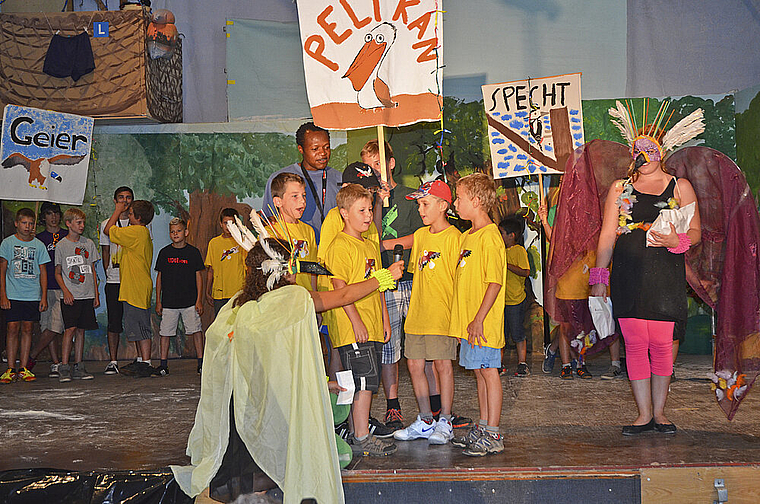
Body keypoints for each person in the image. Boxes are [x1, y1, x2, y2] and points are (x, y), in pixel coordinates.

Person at [171, 237, 404, 504]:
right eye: (291, 266)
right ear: (282, 270)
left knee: (248, 467)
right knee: (276, 455)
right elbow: (342, 296)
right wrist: (381, 278)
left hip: (238, 406)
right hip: (266, 405)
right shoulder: (291, 300)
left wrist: (319, 382)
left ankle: (239, 493)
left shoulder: (240, 303)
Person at [592, 125, 701, 435]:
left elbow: (695, 232)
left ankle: (660, 413)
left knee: (662, 345)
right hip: (628, 274)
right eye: (638, 150)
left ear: (662, 152)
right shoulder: (619, 188)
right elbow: (606, 236)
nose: (644, 156)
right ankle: (643, 414)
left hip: (665, 276)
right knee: (636, 344)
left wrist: (674, 242)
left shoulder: (679, 187)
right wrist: (600, 278)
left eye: (650, 149)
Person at [324, 183, 395, 457]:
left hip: (372, 324)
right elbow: (339, 288)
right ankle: (361, 436)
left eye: (369, 210)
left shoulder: (369, 244)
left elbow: (378, 283)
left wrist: (385, 319)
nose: (368, 216)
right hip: (353, 327)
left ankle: (356, 431)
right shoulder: (338, 246)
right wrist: (355, 321)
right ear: (344, 213)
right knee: (363, 381)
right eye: (361, 210)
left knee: (367, 380)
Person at [362, 139, 424, 431]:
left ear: (391, 163)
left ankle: (431, 405)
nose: (374, 170)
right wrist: (375, 201)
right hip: (383, 282)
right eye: (368, 166)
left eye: (378, 163)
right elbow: (368, 235)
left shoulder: (411, 198)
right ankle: (393, 405)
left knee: (420, 345)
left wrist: (387, 243)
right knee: (389, 347)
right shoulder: (366, 201)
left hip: (411, 279)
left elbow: (421, 236)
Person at [393, 180, 460, 445]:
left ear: (443, 206)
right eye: (419, 204)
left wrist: (459, 319)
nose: (421, 210)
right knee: (414, 364)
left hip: (442, 315)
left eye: (425, 204)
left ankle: (445, 420)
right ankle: (425, 419)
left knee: (443, 366)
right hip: (417, 314)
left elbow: (457, 279)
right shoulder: (421, 236)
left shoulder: (455, 237)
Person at [448, 173, 506, 456]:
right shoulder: (466, 237)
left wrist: (479, 318)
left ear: (476, 200)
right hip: (470, 325)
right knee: (480, 374)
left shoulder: (491, 237)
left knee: (489, 372)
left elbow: (494, 282)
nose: (455, 203)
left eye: (459, 198)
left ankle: (493, 433)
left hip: (483, 324)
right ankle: (483, 426)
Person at [261, 122, 342, 243]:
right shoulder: (279, 179)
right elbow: (267, 219)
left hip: (334, 251)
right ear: (301, 149)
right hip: (297, 253)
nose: (323, 153)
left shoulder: (339, 178)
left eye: (327, 147)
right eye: (315, 149)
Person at [104, 199, 155, 378]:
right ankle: (141, 360)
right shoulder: (140, 232)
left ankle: (146, 362)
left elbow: (107, 230)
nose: (128, 215)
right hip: (135, 286)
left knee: (141, 327)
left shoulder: (137, 231)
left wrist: (117, 210)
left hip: (136, 287)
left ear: (138, 218)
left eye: (131, 213)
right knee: (136, 325)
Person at [0, 208, 50, 383]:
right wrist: (3, 294)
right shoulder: (7, 243)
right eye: (24, 223)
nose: (27, 227)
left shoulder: (39, 245)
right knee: (12, 328)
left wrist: (43, 296)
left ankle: (24, 368)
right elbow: (2, 269)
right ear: (16, 224)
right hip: (13, 293)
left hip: (32, 294)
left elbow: (43, 272)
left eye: (31, 223)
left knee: (28, 329)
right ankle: (10, 368)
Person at [154, 217, 205, 376]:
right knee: (165, 333)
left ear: (186, 232)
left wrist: (198, 300)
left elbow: (198, 277)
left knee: (196, 330)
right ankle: (163, 364)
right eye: (172, 232)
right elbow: (159, 278)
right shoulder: (164, 252)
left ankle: (201, 363)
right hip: (169, 302)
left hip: (190, 302)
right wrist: (158, 301)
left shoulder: (193, 252)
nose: (175, 234)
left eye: (179, 231)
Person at [55, 208, 100, 382]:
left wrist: (96, 295)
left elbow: (93, 272)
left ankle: (79, 366)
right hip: (70, 295)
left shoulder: (88, 244)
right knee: (70, 329)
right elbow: (58, 272)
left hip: (87, 294)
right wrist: (66, 292)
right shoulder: (62, 245)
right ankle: (64, 367)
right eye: (78, 222)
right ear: (68, 224)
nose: (81, 225)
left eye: (83, 222)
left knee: (81, 330)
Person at [28, 202, 68, 378]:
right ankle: (56, 363)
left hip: (64, 287)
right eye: (50, 214)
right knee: (47, 326)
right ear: (43, 217)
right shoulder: (38, 239)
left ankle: (31, 357)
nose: (54, 217)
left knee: (56, 326)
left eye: (56, 213)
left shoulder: (67, 235)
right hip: (44, 287)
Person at [99, 186, 134, 375]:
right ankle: (113, 360)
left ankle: (140, 359)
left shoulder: (139, 223)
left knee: (135, 320)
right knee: (114, 322)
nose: (125, 201)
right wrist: (108, 272)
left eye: (128, 198)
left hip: (132, 280)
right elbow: (105, 250)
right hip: (114, 280)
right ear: (115, 200)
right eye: (121, 197)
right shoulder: (107, 223)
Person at [266, 172, 317, 292]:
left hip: (307, 298)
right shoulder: (270, 233)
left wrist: (315, 297)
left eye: (304, 195)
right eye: (295, 196)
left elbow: (313, 271)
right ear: (278, 202)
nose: (302, 201)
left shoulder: (309, 231)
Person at [498, 217, 531, 377]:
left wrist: (507, 265)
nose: (500, 236)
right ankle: (499, 363)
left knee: (518, 332)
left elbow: (525, 272)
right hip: (499, 300)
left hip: (515, 300)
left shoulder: (519, 251)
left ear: (512, 235)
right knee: (500, 334)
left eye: (502, 233)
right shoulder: (499, 251)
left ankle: (522, 363)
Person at [205, 208, 247, 316]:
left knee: (237, 324)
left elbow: (248, 269)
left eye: (232, 223)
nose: (228, 226)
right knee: (220, 325)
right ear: (220, 224)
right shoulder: (214, 243)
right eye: (225, 223)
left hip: (238, 292)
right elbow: (210, 270)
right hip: (219, 294)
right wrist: (207, 290)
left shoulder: (242, 242)